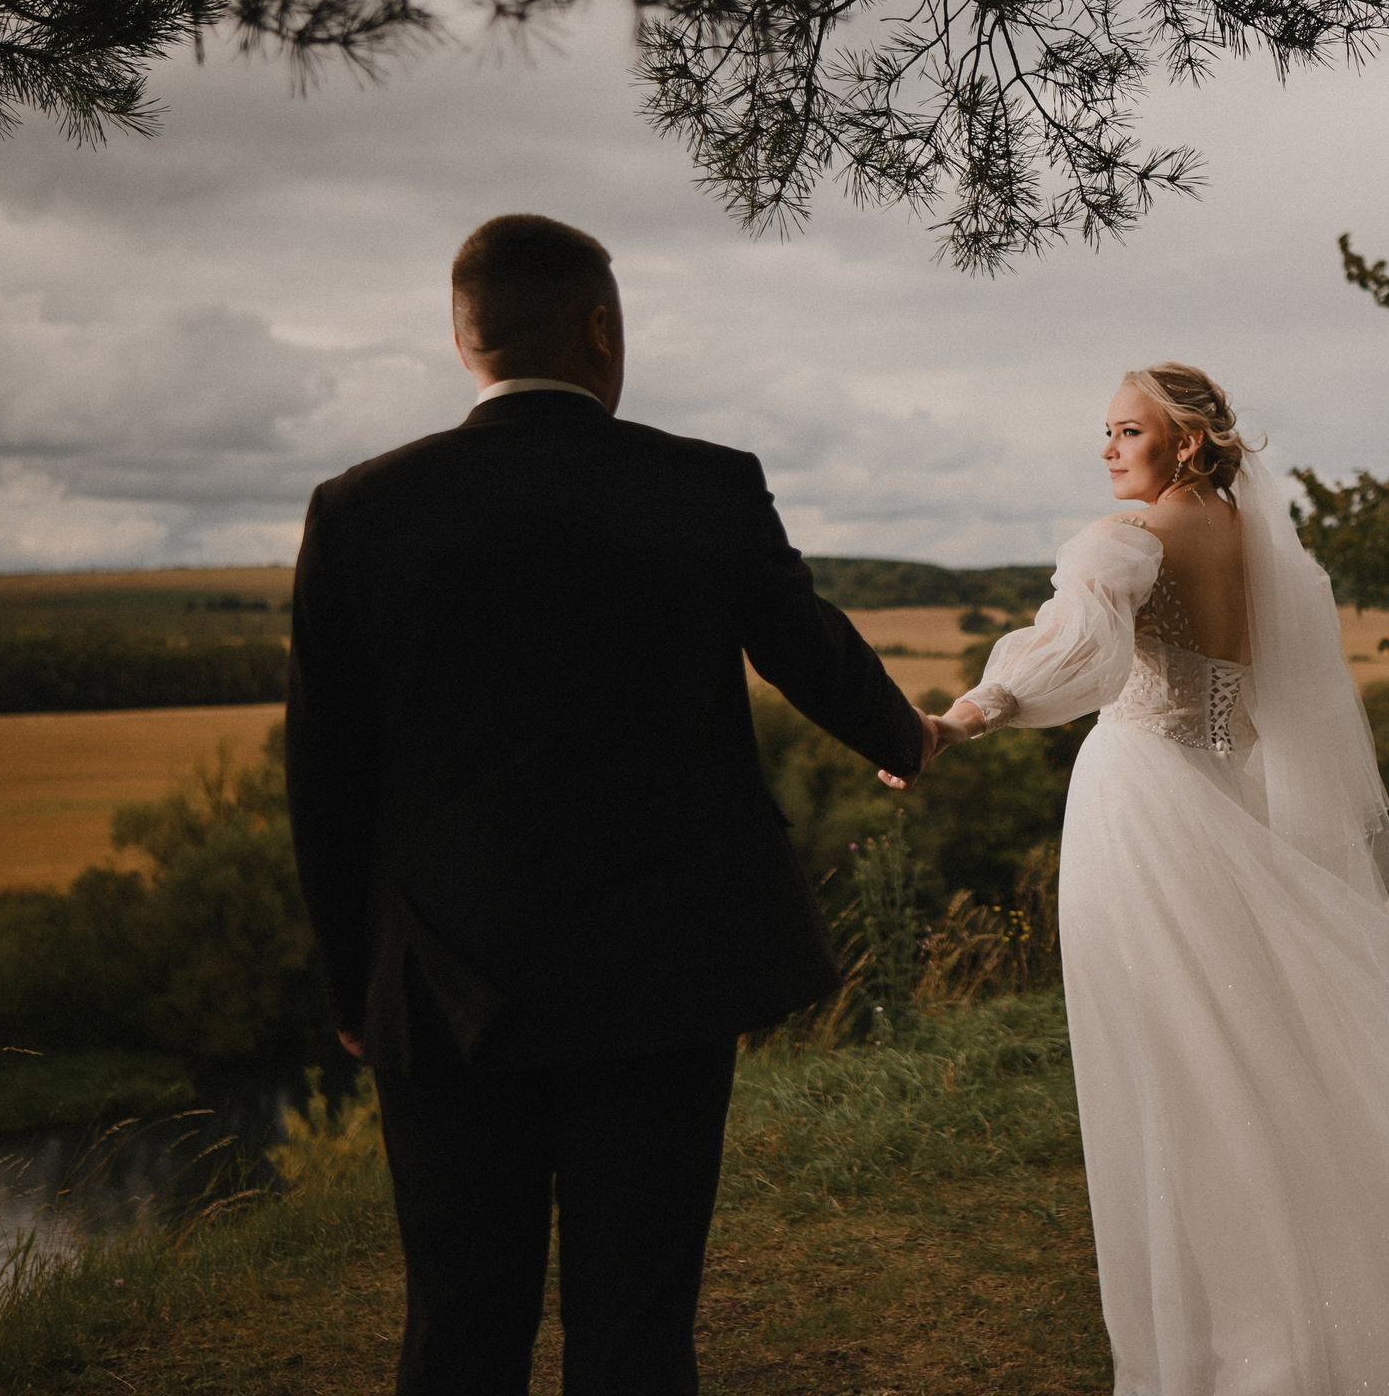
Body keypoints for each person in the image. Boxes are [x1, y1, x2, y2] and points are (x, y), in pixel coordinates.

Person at [915, 363, 1389, 1395]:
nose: (1106, 450)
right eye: (1102, 433)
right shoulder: (1255, 541)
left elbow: (1071, 652)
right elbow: (1253, 702)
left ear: (1184, 442)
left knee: (1177, 1060)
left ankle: (1240, 1334)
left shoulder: (1129, 540)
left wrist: (956, 720)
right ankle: (1304, 1300)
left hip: (1144, 807)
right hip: (1229, 802)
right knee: (1263, 1050)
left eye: (1126, 433)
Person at [284, 213, 945, 1394]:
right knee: (637, 1320)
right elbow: (811, 651)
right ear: (600, 329)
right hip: (662, 972)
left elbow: (325, 776)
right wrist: (907, 738)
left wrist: (355, 985)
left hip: (442, 984)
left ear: (463, 338)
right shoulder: (701, 488)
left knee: (458, 1313)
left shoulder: (361, 511)